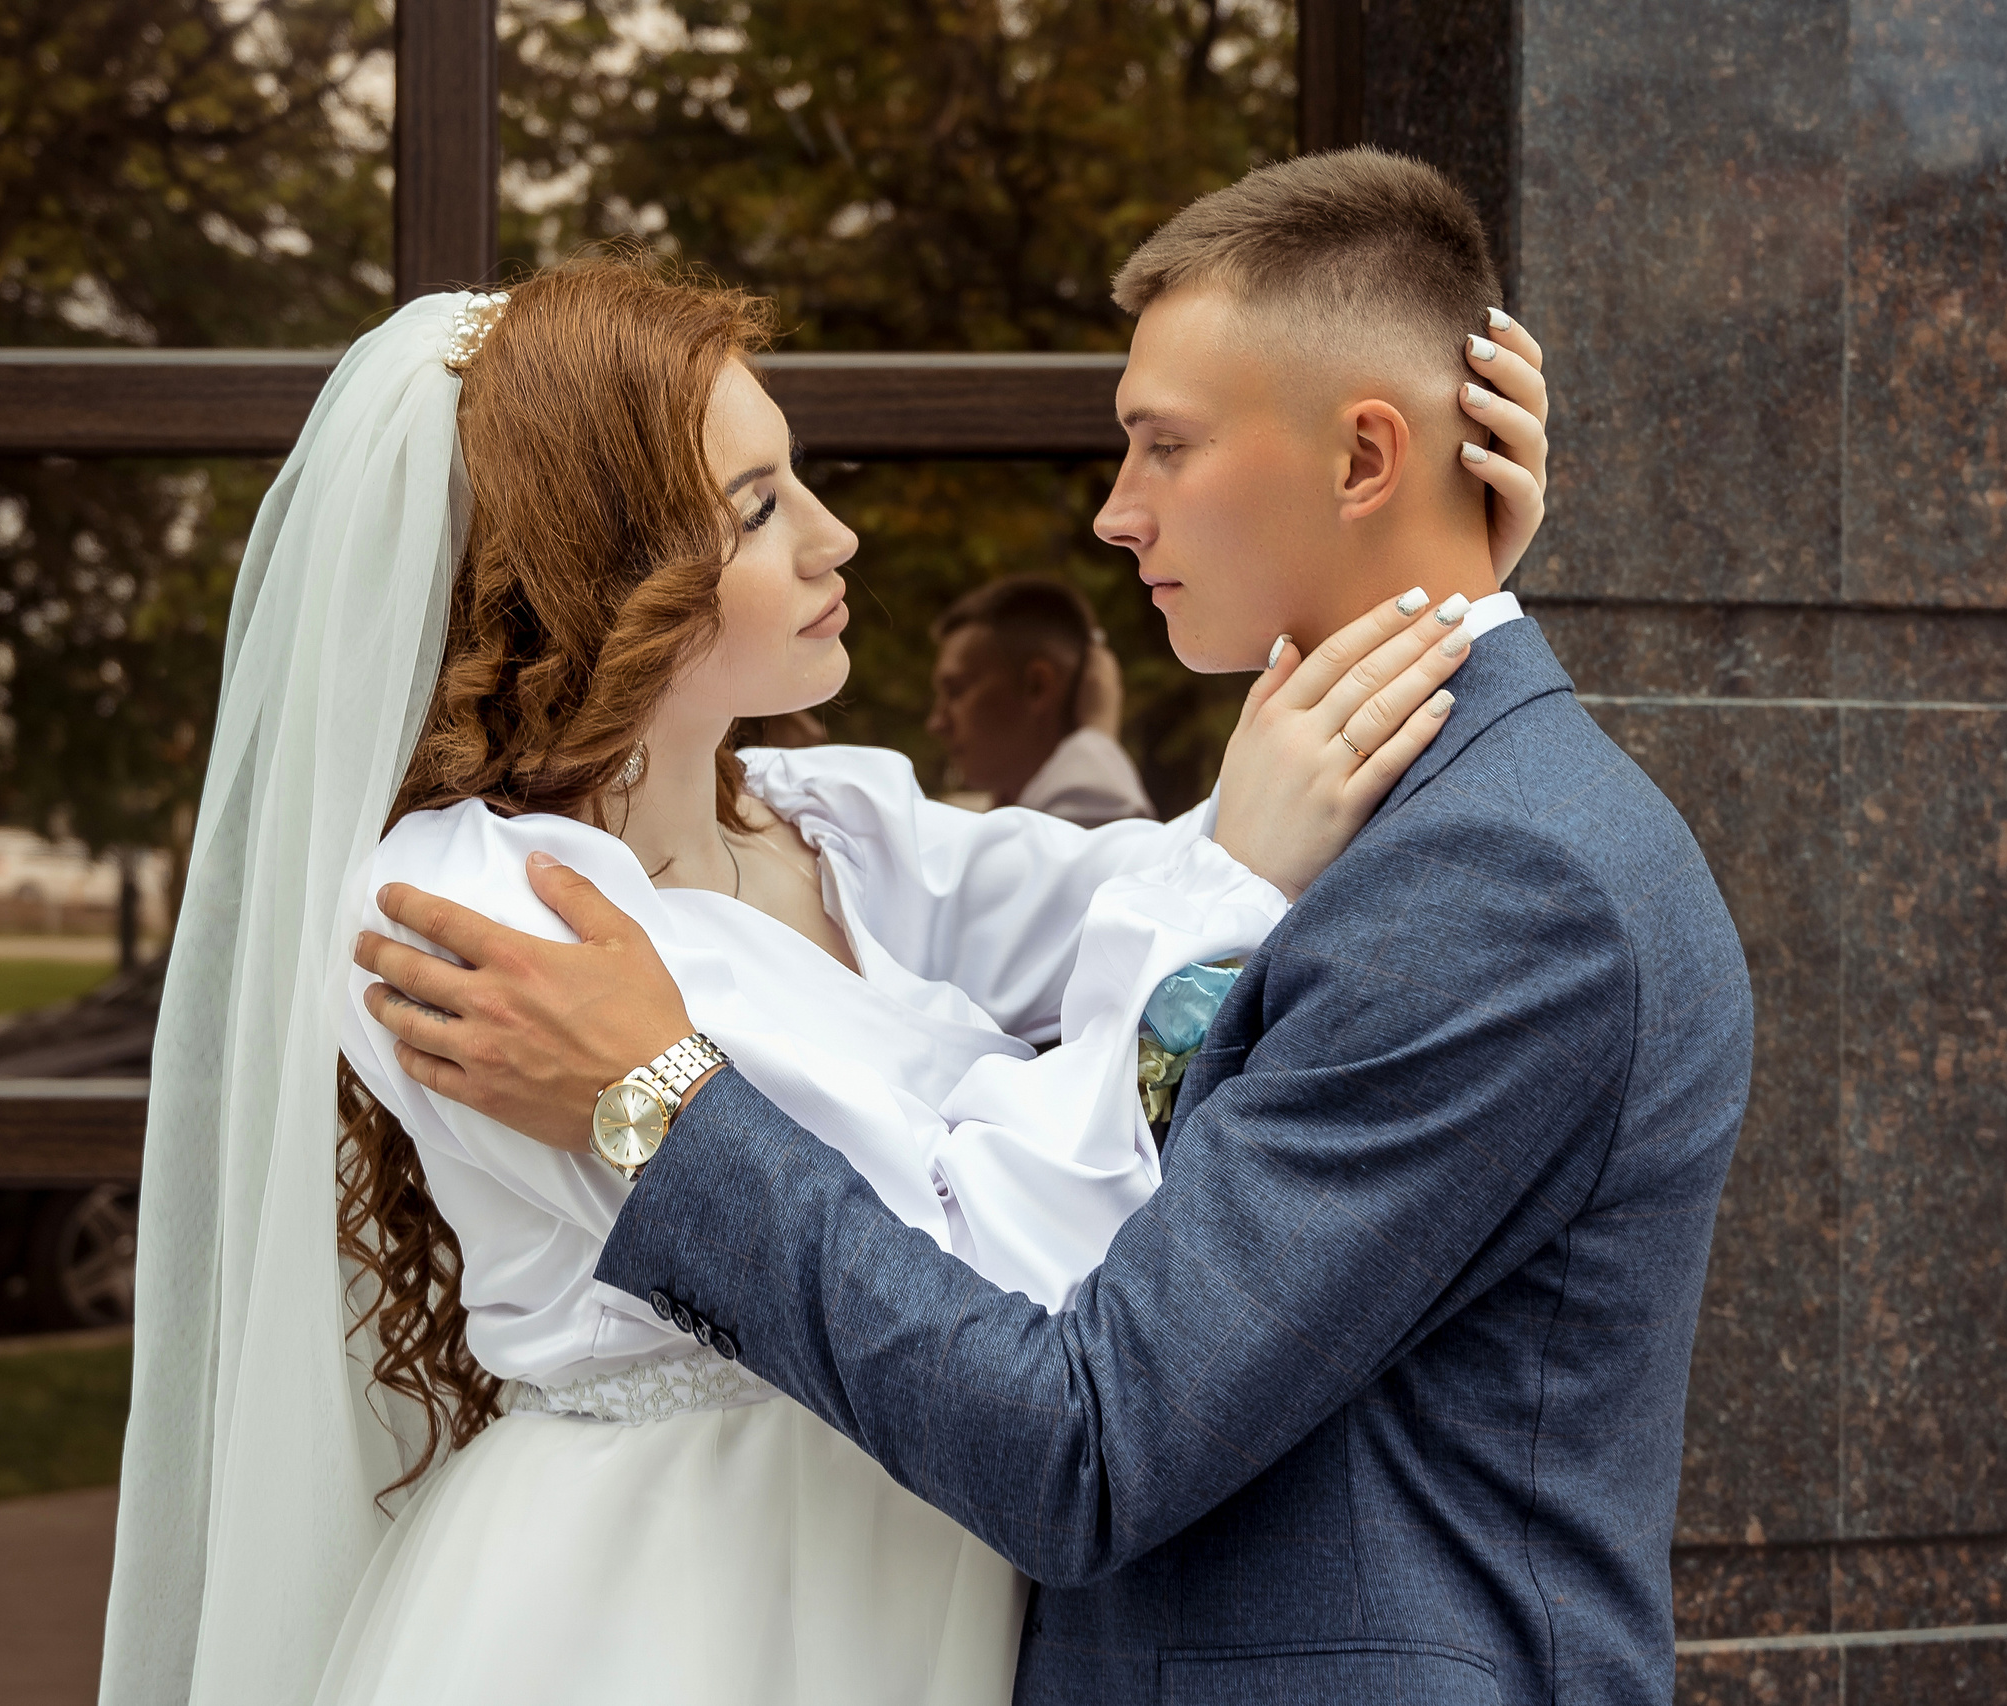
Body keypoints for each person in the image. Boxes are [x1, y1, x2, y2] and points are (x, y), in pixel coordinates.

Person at [355, 150, 1745, 1703]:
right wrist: (1433, 584)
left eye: (1163, 446)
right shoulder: (504, 901)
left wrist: (657, 1100)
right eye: (759, 504)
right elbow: (1165, 901)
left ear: (1364, 459)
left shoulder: (1501, 886)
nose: (1109, 513)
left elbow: (1083, 1434)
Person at [101, 238, 1554, 1706]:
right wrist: (1236, 878)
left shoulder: (818, 825)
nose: (831, 537)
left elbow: (1182, 867)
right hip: (677, 1601)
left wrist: (1425, 563)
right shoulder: (484, 912)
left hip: (900, 1570)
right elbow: (992, 1255)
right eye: (755, 508)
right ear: (599, 566)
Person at [926, 575, 1156, 826]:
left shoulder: (1094, 805)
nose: (937, 723)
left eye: (956, 691)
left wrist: (1094, 740)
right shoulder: (1019, 815)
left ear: (1037, 686)